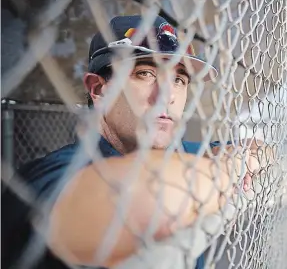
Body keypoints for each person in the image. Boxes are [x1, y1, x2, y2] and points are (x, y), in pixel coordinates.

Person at [1, 15, 265, 269]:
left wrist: (235, 154)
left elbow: (256, 148)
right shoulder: (48, 175)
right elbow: (154, 200)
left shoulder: (180, 154)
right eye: (146, 73)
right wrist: (228, 171)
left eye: (178, 79)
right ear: (98, 88)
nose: (167, 96)